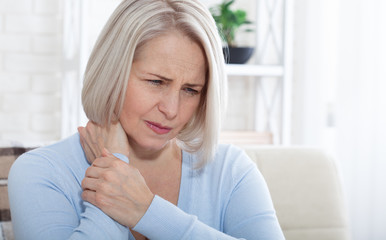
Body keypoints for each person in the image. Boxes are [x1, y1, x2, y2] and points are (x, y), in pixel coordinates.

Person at [8, 0, 285, 239]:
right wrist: (115, 166)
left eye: (190, 90)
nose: (172, 109)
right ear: (112, 72)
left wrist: (147, 212)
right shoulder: (41, 172)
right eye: (156, 82)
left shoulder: (231, 170)